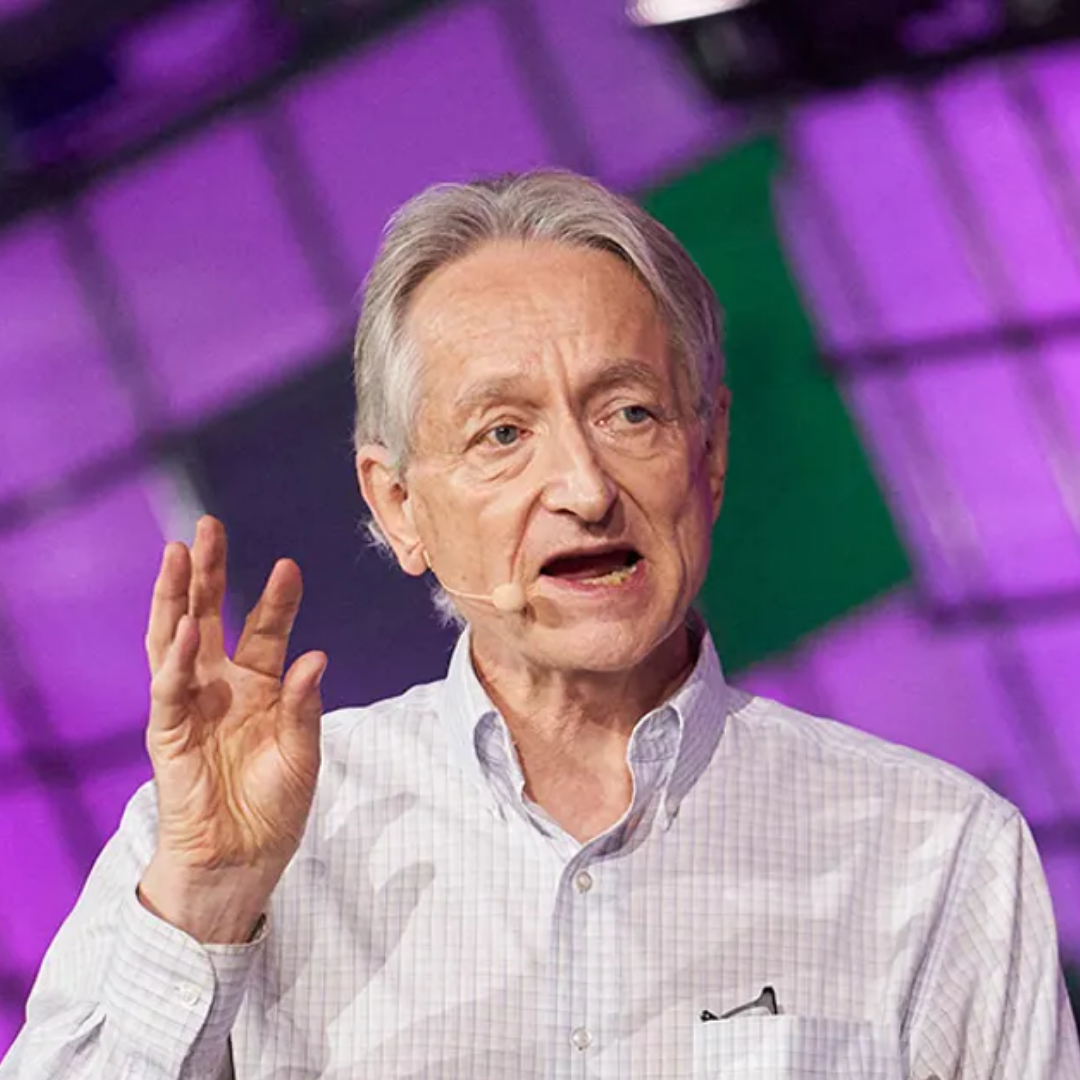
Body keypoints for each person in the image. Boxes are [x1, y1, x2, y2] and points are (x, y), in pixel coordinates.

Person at [2, 170, 1078, 1080]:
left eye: (630, 415)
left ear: (708, 457)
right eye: (503, 433)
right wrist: (206, 897)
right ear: (397, 505)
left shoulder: (936, 852)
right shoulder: (231, 845)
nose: (582, 486)